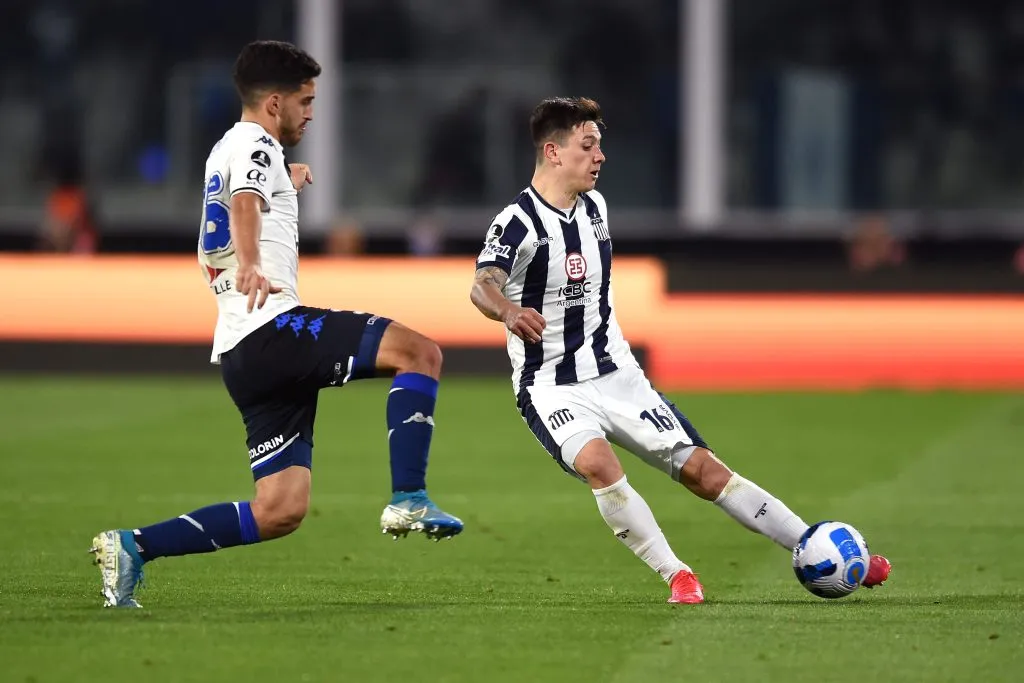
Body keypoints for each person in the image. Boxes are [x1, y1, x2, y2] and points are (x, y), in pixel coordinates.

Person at [469, 97, 891, 603]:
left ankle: (820, 549)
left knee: (703, 471)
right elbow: (482, 285)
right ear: (554, 152)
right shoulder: (516, 222)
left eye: (601, 145)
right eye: (588, 145)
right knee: (599, 464)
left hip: (618, 375)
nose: (600, 156)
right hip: (551, 386)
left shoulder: (596, 207)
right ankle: (677, 575)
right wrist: (509, 312)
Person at [90, 41, 463, 608]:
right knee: (420, 353)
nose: (311, 112)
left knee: (280, 510)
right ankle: (409, 497)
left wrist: (284, 180)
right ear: (273, 102)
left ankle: (132, 547)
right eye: (305, 101)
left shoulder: (231, 147)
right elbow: (243, 204)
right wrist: (249, 262)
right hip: (272, 328)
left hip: (244, 354)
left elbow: (239, 195)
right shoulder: (255, 143)